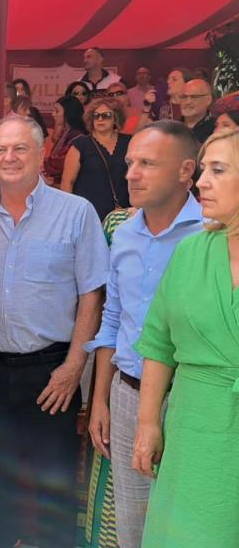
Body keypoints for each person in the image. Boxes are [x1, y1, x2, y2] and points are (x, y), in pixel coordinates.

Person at [0, 115, 107, 548]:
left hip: (52, 372)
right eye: (1, 149)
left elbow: (92, 295)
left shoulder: (75, 212)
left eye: (20, 148)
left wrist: (73, 367)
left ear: (42, 153)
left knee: (54, 485)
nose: (10, 157)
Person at [84, 121, 203, 548]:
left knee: (189, 526)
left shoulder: (212, 235)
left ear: (186, 170)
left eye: (148, 164)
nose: (131, 173)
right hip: (127, 395)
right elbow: (111, 319)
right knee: (132, 526)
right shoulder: (123, 233)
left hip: (191, 400)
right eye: (131, 162)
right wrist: (100, 399)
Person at [131, 128, 239, 547]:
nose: (200, 182)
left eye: (218, 170)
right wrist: (147, 423)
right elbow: (158, 344)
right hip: (193, 426)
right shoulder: (190, 252)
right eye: (203, 169)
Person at [61, 98, 132, 220]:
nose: (100, 119)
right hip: (89, 214)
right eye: (96, 116)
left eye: (106, 115)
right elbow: (67, 182)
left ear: (116, 117)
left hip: (124, 213)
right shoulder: (80, 145)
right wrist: (69, 213)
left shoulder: (129, 142)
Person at [44, 95, 87, 187]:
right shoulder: (66, 132)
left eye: (57, 111)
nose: (53, 114)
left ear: (68, 113)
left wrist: (40, 163)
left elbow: (59, 163)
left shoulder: (78, 137)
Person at [179, 78, 216, 143]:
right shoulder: (173, 128)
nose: (188, 102)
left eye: (194, 97)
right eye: (184, 97)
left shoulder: (216, 128)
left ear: (208, 100)